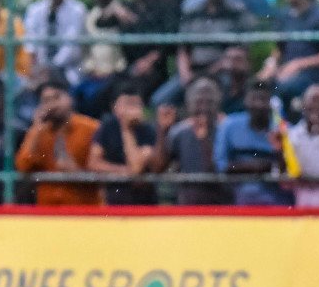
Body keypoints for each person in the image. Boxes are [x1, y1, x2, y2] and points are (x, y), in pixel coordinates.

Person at [14, 74, 102, 207]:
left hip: (84, 211)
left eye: (57, 97)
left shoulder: (91, 128)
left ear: (70, 98)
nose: (52, 104)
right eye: (46, 100)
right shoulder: (38, 132)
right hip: (48, 213)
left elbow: (103, 174)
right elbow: (22, 167)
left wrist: (76, 173)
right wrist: (36, 130)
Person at [215, 79, 291, 206]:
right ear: (245, 100)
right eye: (254, 99)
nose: (259, 104)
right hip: (236, 204)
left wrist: (278, 154)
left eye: (263, 99)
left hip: (279, 204)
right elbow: (220, 165)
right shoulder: (229, 126)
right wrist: (253, 167)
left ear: (271, 102)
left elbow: (292, 170)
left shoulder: (283, 129)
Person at [158, 77, 232, 206]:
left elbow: (217, 171)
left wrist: (203, 140)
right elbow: (162, 166)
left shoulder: (226, 129)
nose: (204, 108)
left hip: (221, 200)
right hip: (188, 201)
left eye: (209, 102)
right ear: (189, 103)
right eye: (199, 102)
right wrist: (164, 131)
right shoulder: (179, 132)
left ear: (217, 103)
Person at [87, 83, 159, 206]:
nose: (132, 109)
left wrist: (127, 130)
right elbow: (93, 163)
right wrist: (123, 171)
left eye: (136, 104)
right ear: (115, 107)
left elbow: (136, 168)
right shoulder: (107, 128)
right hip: (113, 201)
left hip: (144, 202)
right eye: (127, 104)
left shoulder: (149, 131)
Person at [23, 0, 88, 86]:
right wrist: (36, 71)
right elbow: (31, 44)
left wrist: (51, 68)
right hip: (40, 71)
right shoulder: (35, 9)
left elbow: (71, 46)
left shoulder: (77, 9)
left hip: (68, 70)